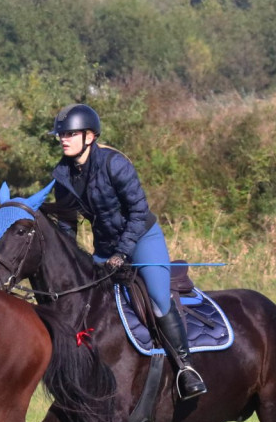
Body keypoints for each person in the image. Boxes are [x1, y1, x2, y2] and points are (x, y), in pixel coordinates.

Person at [48, 103, 207, 400]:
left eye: (70, 134)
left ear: (90, 136)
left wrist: (122, 253)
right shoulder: (62, 175)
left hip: (143, 238)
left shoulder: (114, 164)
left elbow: (138, 211)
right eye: (61, 135)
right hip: (105, 246)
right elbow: (67, 224)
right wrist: (70, 260)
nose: (63, 139)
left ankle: (187, 368)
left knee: (159, 300)